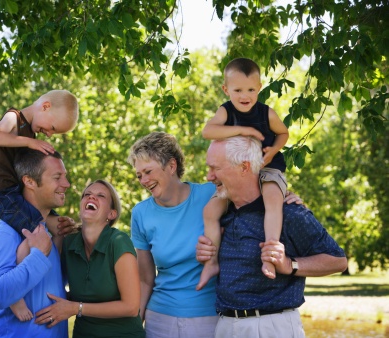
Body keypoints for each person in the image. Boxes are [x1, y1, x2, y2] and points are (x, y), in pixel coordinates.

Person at [196, 136, 348, 338]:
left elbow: (338, 261)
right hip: (225, 326)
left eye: (215, 168)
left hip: (271, 327)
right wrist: (206, 252)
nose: (208, 176)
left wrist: (289, 265)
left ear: (244, 167)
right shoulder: (222, 213)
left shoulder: (289, 213)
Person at [0, 89, 79, 320]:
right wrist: (29, 142)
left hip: (14, 192)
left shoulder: (30, 135)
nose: (49, 133)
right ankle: (16, 298)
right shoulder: (13, 117)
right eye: (52, 128)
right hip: (2, 193)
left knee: (48, 223)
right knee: (34, 229)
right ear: (45, 106)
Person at [198, 57, 289, 289]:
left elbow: (283, 134)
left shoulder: (267, 113)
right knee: (210, 211)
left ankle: (270, 255)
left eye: (251, 89)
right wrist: (243, 129)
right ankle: (212, 262)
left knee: (272, 202)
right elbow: (207, 131)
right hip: (238, 172)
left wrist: (273, 151)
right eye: (237, 90)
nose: (244, 95)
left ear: (259, 88)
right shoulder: (225, 111)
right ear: (226, 89)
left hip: (268, 167)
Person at [126, 131, 219, 338]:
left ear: (171, 166)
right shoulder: (140, 213)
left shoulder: (210, 194)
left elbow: (248, 194)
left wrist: (280, 194)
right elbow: (145, 279)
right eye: (139, 175)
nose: (143, 180)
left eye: (148, 171)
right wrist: (133, 327)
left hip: (208, 317)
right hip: (159, 318)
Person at [32, 180, 145, 338]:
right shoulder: (68, 242)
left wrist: (76, 308)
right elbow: (53, 283)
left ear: (111, 214)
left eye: (101, 196)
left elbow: (131, 307)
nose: (92, 198)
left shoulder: (119, 242)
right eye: (87, 195)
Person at [0, 149, 72, 337]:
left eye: (65, 177)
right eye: (57, 177)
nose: (67, 184)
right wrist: (38, 255)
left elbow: (49, 290)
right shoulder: (3, 234)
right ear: (29, 181)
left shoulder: (48, 233)